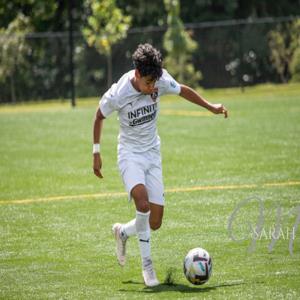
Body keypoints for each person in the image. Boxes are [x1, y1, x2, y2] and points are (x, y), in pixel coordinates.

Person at [92, 43, 228, 287]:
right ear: (136, 74)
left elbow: (183, 90)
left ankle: (123, 232)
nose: (152, 87)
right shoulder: (119, 92)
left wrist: (211, 107)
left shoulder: (159, 79)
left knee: (155, 222)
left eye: (155, 82)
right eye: (148, 83)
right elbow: (99, 116)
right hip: (130, 154)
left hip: (153, 154)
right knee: (142, 204)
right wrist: (96, 152)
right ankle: (148, 268)